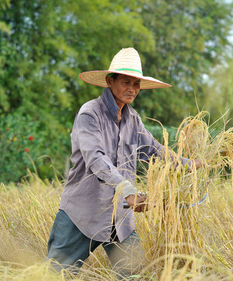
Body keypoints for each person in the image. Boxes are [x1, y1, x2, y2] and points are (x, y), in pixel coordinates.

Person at [46, 47, 202, 279]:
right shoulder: (90, 114)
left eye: (136, 84)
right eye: (126, 82)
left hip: (120, 216)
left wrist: (191, 164)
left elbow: (154, 150)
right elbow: (96, 159)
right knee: (54, 275)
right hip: (82, 213)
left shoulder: (133, 119)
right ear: (110, 81)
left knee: (134, 276)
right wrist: (127, 189)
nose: (132, 89)